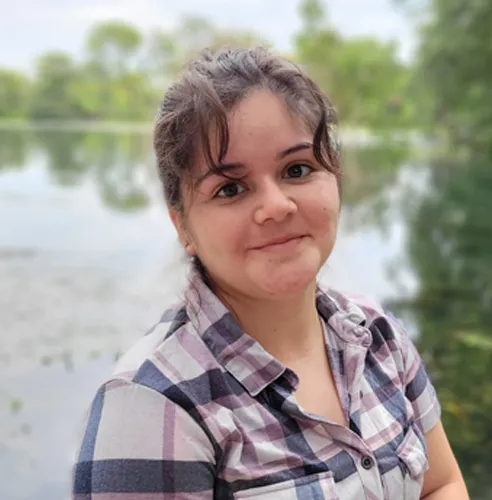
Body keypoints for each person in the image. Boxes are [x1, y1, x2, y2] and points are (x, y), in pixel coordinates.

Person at [71, 46, 469, 499]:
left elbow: (441, 483)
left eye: (297, 169)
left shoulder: (378, 338)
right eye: (230, 188)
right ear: (182, 223)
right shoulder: (153, 405)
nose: (276, 206)